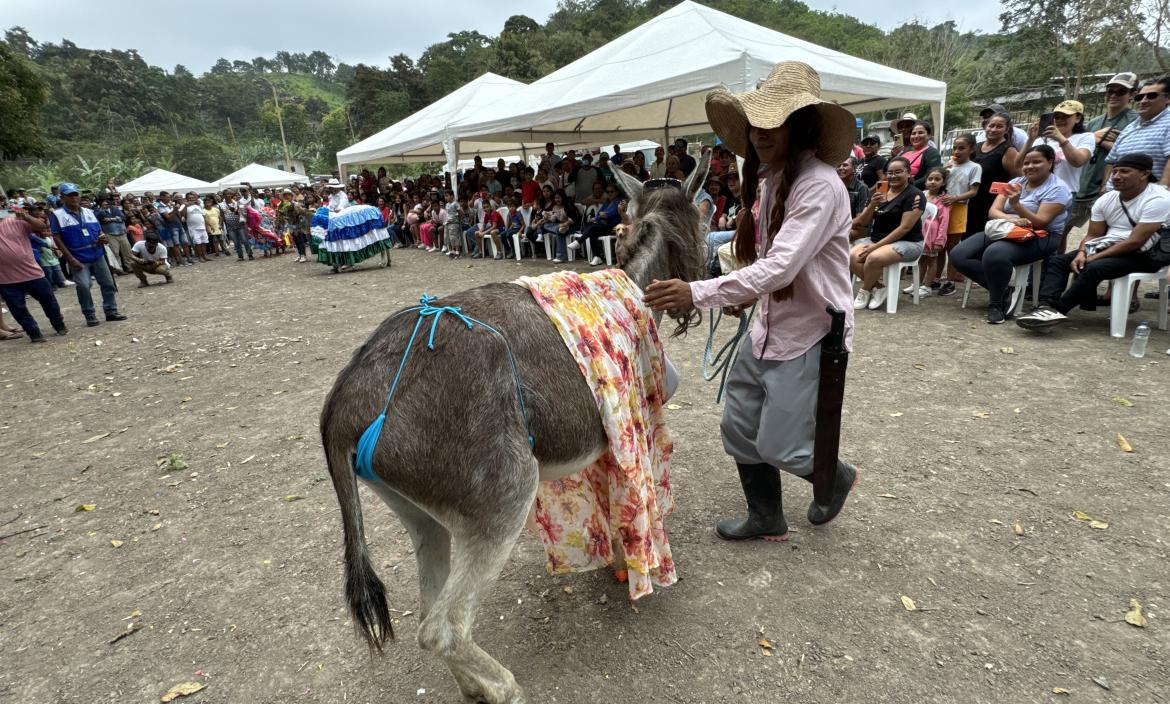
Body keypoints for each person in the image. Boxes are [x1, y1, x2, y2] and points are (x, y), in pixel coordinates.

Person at [644, 61, 858, 542]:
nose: (761, 132)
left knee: (782, 445)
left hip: (811, 331)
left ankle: (833, 475)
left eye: (774, 121)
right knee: (739, 426)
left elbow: (781, 267)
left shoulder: (819, 185)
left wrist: (697, 292)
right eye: (755, 121)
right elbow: (767, 264)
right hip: (768, 322)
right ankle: (766, 515)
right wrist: (745, 294)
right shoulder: (771, 179)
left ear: (799, 125)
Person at [1017, 154, 1169, 330]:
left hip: (1146, 254)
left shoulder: (1159, 199)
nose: (1117, 176)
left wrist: (1093, 258)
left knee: (1094, 268)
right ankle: (1046, 306)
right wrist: (1082, 253)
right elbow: (1092, 235)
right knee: (1059, 261)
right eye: (1115, 171)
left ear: (1144, 174)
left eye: (1125, 171)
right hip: (1108, 246)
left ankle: (1058, 310)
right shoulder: (1107, 199)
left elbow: (1135, 242)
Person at [950, 145, 1072, 324]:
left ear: (1050, 162)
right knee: (958, 255)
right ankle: (1006, 290)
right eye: (1026, 163)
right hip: (1004, 228)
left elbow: (1040, 222)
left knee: (995, 253)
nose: (1030, 166)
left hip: (1041, 235)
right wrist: (1013, 219)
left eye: (1036, 162)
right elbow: (993, 211)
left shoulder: (1058, 188)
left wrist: (1017, 206)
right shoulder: (1015, 182)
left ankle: (996, 304)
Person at [1065, 73, 1140, 245]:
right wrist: (1094, 137)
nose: (1113, 95)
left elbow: (1132, 154)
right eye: (1110, 91)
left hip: (1107, 188)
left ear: (1132, 95)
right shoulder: (1095, 123)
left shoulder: (1134, 121)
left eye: (1121, 91)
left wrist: (1101, 141)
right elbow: (1078, 149)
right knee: (1061, 229)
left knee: (1098, 236)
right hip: (1082, 185)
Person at [849, 156, 925, 310]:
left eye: (898, 172)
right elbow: (863, 222)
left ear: (909, 173)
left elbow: (904, 228)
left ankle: (865, 290)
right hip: (877, 239)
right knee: (851, 256)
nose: (893, 176)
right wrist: (872, 204)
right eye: (889, 173)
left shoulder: (915, 195)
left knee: (873, 257)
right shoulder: (879, 191)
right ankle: (878, 287)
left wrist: (875, 246)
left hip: (908, 242)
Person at [50, 183, 126, 327]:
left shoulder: (88, 211)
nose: (74, 197)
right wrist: (70, 258)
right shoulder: (57, 214)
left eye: (75, 194)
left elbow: (98, 229)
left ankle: (111, 311)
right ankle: (89, 314)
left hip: (97, 252)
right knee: (84, 286)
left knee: (108, 283)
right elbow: (57, 237)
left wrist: (102, 236)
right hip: (77, 256)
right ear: (62, 197)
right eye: (70, 195)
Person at [0, 208, 67, 342]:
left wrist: (27, 217)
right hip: (5, 279)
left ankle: (59, 325)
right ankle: (34, 333)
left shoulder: (15, 221)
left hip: (32, 273)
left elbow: (42, 226)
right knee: (17, 308)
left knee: (49, 300)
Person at [1104, 76, 1170, 188]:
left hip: (1150, 199)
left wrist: (1163, 191)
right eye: (1139, 97)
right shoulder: (1129, 128)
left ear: (1168, 98)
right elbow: (1111, 160)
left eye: (1151, 96)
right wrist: (1105, 187)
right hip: (1116, 196)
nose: (1143, 101)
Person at [1017, 100, 1095, 195]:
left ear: (1078, 118)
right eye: (1057, 117)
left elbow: (1078, 161)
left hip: (1064, 192)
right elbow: (1018, 165)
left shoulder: (1085, 137)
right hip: (1036, 191)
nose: (1060, 120)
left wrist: (1060, 138)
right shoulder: (1041, 140)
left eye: (1065, 117)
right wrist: (1030, 140)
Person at [939, 134, 982, 295]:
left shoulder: (974, 167)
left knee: (952, 246)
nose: (957, 151)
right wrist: (946, 171)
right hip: (943, 207)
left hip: (958, 208)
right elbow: (939, 183)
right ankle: (936, 277)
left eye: (961, 148)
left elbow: (973, 191)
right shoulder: (950, 164)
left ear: (971, 149)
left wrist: (955, 198)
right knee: (939, 245)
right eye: (955, 148)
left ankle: (950, 280)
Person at [968, 112, 1021, 239]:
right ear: (985, 126)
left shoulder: (1009, 151)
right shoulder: (976, 147)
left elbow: (1019, 179)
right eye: (991, 125)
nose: (993, 129)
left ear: (1006, 129)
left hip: (990, 206)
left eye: (999, 126)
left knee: (982, 241)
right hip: (971, 203)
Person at [570, 183, 621, 266]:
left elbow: (609, 214)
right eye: (608, 192)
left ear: (617, 192)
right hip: (602, 225)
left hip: (612, 227)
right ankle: (597, 257)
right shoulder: (607, 202)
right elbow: (599, 213)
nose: (610, 194)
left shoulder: (618, 202)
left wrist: (599, 216)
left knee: (592, 228)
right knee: (591, 229)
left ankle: (579, 242)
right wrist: (598, 217)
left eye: (612, 192)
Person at [95, 197, 132, 272]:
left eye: (107, 202)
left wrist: (111, 219)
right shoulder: (98, 211)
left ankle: (130, 267)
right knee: (115, 253)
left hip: (121, 232)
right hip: (110, 234)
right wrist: (103, 211)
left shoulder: (115, 209)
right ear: (101, 203)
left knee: (127, 251)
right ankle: (119, 270)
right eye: (104, 202)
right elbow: (100, 218)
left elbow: (123, 218)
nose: (107, 203)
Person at [903, 122, 942, 189]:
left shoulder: (932, 153)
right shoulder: (905, 152)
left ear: (929, 135)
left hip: (915, 193)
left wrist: (905, 187)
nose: (916, 136)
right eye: (913, 133)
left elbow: (931, 176)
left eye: (920, 133)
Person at [179, 192, 210, 262]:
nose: (191, 199)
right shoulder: (183, 206)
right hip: (193, 228)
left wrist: (206, 226)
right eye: (189, 198)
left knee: (204, 242)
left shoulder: (198, 206)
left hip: (202, 227)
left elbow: (203, 216)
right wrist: (185, 206)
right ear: (186, 199)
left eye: (192, 198)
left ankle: (204, 256)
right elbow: (182, 215)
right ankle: (199, 257)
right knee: (197, 243)